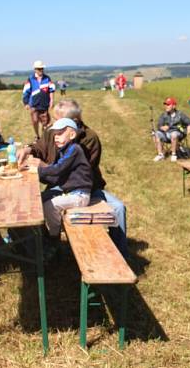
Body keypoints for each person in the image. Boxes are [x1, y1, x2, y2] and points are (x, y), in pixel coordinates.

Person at [20, 99, 129, 257]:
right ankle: (46, 246)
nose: (53, 124)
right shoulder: (54, 132)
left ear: (74, 123)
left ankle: (121, 254)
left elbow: (76, 173)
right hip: (59, 184)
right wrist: (28, 149)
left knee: (118, 208)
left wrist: (42, 167)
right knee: (34, 206)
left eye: (58, 121)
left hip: (85, 187)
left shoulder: (90, 138)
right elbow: (40, 147)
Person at [34, 117, 93, 256]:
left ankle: (54, 238)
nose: (56, 137)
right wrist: (39, 175)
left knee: (50, 206)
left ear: (72, 135)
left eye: (60, 133)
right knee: (38, 200)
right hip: (70, 193)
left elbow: (58, 169)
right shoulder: (65, 150)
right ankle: (41, 235)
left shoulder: (75, 150)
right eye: (55, 134)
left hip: (80, 195)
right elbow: (57, 176)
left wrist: (37, 170)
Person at [153, 97, 190, 162]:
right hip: (166, 134)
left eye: (168, 104)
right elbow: (159, 125)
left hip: (178, 134)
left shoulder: (180, 114)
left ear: (174, 106)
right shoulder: (164, 115)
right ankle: (160, 155)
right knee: (156, 134)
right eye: (165, 104)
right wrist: (162, 127)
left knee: (174, 134)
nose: (166, 106)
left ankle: (173, 154)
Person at [22, 60, 55, 139]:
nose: (41, 70)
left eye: (42, 68)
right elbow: (26, 91)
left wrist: (52, 100)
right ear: (35, 69)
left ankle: (44, 137)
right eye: (39, 69)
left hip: (44, 104)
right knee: (35, 120)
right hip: (33, 104)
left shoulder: (47, 78)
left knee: (45, 122)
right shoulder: (30, 79)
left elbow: (51, 89)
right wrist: (26, 103)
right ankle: (37, 135)